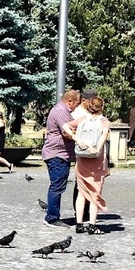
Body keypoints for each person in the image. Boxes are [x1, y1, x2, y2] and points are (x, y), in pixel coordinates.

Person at [63, 94, 111, 234]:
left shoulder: (83, 119)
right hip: (96, 161)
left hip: (82, 159)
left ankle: (79, 224)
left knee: (82, 193)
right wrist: (97, 148)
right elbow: (104, 134)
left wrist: (76, 139)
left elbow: (65, 126)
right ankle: (92, 225)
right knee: (95, 193)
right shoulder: (104, 121)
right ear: (101, 107)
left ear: (90, 107)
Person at [40, 89, 82, 226]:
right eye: (76, 103)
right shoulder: (61, 111)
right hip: (57, 154)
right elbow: (66, 132)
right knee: (57, 186)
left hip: (60, 154)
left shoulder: (63, 111)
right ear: (70, 101)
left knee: (58, 186)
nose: (76, 107)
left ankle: (53, 215)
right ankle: (52, 218)